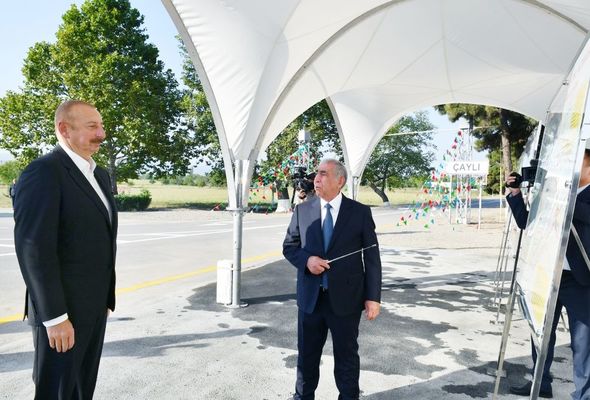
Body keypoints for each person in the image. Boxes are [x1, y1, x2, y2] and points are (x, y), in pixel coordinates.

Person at [13, 100, 118, 400]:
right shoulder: (44, 172)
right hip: (62, 315)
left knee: (82, 390)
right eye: (92, 126)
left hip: (94, 308)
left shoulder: (99, 175)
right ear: (64, 129)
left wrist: (104, 298)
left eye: (101, 126)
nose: (102, 134)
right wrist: (55, 317)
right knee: (57, 392)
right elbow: (34, 249)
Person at [283, 158, 382, 400]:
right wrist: (307, 261)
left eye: (323, 174)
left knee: (347, 359)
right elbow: (289, 247)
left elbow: (372, 258)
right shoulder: (302, 210)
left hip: (346, 301)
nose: (316, 178)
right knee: (306, 358)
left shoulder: (360, 213)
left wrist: (373, 297)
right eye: (317, 174)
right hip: (310, 301)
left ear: (340, 181)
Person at [506, 144, 590, 399]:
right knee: (540, 334)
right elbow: (526, 221)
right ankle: (540, 383)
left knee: (583, 343)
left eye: (576, 162)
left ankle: (584, 394)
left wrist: (563, 198)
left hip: (580, 280)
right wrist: (516, 193)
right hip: (547, 275)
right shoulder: (556, 191)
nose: (569, 168)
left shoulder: (569, 195)